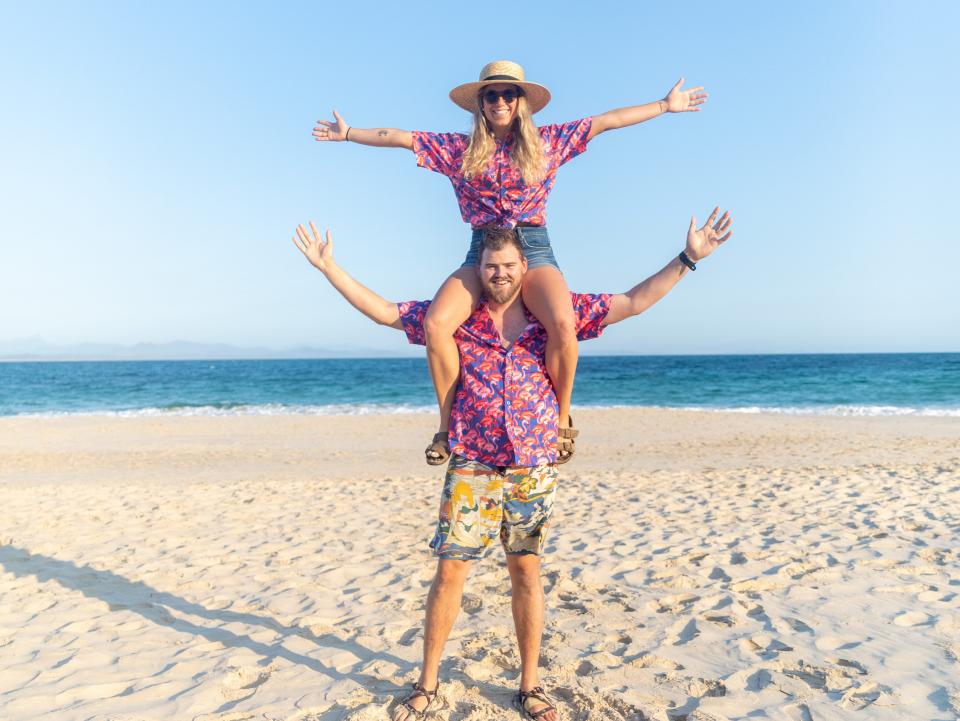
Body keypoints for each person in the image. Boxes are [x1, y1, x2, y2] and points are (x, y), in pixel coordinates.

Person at [291, 207, 732, 720]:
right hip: (473, 463)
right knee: (451, 570)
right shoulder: (458, 319)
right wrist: (330, 269)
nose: (499, 273)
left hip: (532, 464)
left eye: (508, 265)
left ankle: (529, 686)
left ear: (526, 266)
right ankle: (428, 682)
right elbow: (387, 312)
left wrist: (688, 259)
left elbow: (632, 302)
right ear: (478, 270)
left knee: (526, 573)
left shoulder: (552, 318)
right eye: (490, 266)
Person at [312, 60, 708, 467]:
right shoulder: (458, 150)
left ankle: (561, 420)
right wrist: (348, 134)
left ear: (522, 102)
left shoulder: (549, 142)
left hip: (533, 249)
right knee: (434, 324)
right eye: (491, 94)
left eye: (508, 94)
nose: (500, 101)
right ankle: (446, 428)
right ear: (480, 104)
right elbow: (397, 137)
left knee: (564, 323)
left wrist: (664, 105)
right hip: (482, 250)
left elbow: (607, 121)